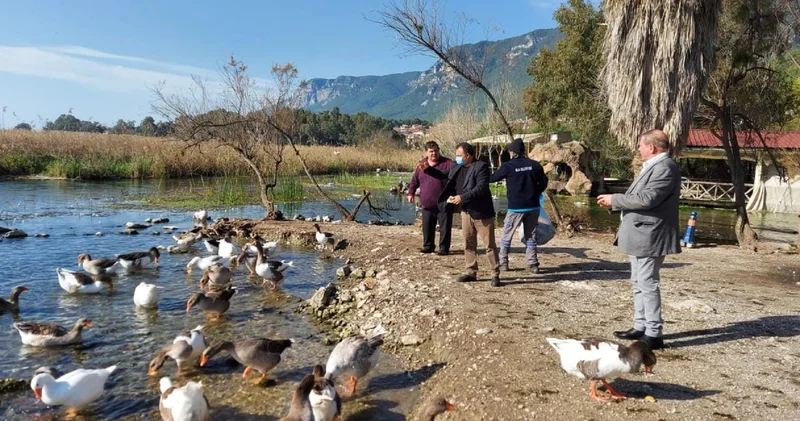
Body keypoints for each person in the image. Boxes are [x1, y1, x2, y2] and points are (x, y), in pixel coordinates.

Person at [596, 129, 681, 350]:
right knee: (638, 282)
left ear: (651, 147)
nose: (639, 149)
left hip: (650, 235)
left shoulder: (665, 168)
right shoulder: (655, 166)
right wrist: (614, 204)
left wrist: (615, 199)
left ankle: (654, 332)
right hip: (641, 233)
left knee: (647, 282)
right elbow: (639, 198)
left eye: (641, 146)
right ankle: (640, 325)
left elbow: (647, 199)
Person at [422, 142, 501, 286]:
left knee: (489, 245)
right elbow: (442, 175)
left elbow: (481, 188)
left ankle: (495, 273)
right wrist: (428, 169)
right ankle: (471, 271)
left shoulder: (481, 167)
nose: (457, 158)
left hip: (482, 212)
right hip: (466, 212)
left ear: (468, 155)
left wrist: (462, 197)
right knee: (469, 243)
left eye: (459, 155)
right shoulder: (457, 167)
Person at [489, 138, 548, 275]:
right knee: (531, 236)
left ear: (512, 152)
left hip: (515, 208)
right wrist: (536, 191)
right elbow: (544, 181)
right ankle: (532, 264)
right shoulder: (535, 165)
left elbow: (492, 178)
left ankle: (503, 263)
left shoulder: (508, 166)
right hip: (533, 207)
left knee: (506, 235)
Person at [408, 141, 456, 255]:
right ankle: (428, 246)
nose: (434, 153)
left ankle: (444, 248)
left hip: (444, 202)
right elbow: (414, 181)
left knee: (445, 228)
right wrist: (411, 193)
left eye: (435, 151)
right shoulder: (421, 165)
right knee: (427, 226)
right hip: (427, 202)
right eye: (431, 151)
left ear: (439, 150)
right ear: (426, 152)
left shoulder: (448, 163)